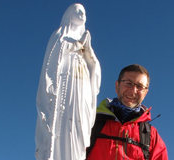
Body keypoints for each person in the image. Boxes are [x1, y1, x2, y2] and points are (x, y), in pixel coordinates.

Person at [35, 3, 101, 160]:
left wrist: (89, 54)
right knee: (62, 127)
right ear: (69, 14)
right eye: (77, 10)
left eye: (84, 12)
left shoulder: (85, 40)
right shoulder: (60, 36)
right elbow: (53, 59)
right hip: (65, 87)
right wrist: (76, 46)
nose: (82, 14)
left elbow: (95, 72)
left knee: (79, 129)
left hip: (82, 89)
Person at [86, 64, 168, 160]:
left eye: (140, 87)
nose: (133, 91)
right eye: (128, 83)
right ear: (117, 86)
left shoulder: (151, 136)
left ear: (145, 93)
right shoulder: (91, 122)